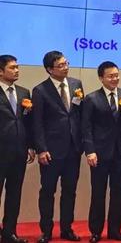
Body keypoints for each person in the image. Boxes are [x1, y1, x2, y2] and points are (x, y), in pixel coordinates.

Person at [32, 51, 84, 243]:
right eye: (60, 65)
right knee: (48, 191)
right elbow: (37, 123)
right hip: (51, 151)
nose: (65, 67)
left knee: (70, 191)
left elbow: (79, 115)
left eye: (66, 63)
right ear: (49, 69)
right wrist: (41, 149)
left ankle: (66, 228)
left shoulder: (76, 84)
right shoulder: (40, 90)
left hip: (73, 148)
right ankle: (46, 231)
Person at [81, 61, 121, 243]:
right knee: (98, 193)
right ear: (101, 78)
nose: (115, 79)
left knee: (118, 194)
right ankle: (95, 231)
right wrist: (90, 151)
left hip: (120, 153)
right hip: (99, 153)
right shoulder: (91, 98)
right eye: (110, 76)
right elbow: (86, 127)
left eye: (117, 75)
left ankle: (115, 230)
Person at [0, 55, 35, 243]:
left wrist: (30, 145)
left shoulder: (23, 92)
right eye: (12, 67)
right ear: (0, 71)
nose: (17, 70)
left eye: (17, 67)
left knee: (14, 193)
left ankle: (9, 232)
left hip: (19, 151)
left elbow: (28, 122)